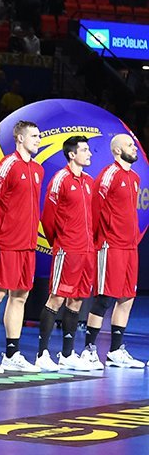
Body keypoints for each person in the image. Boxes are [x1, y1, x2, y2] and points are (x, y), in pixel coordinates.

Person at [0, 121, 45, 373]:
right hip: (5, 242)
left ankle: (12, 353)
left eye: (39, 135)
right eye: (34, 136)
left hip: (27, 244)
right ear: (20, 138)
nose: (38, 139)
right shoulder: (7, 165)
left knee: (20, 296)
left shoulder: (37, 169)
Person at [36, 136, 98, 372]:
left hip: (87, 251)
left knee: (78, 299)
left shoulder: (89, 181)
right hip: (67, 249)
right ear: (72, 154)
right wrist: (60, 242)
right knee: (57, 297)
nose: (89, 154)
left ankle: (67, 354)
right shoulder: (60, 179)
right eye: (84, 150)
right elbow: (48, 218)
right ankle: (42, 354)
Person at [84, 134, 146, 369]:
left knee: (127, 297)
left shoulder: (135, 178)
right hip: (111, 245)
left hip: (130, 247)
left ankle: (115, 351)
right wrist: (99, 241)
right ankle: (89, 350)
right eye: (130, 145)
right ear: (118, 150)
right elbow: (95, 209)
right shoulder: (109, 175)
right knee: (104, 298)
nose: (135, 148)